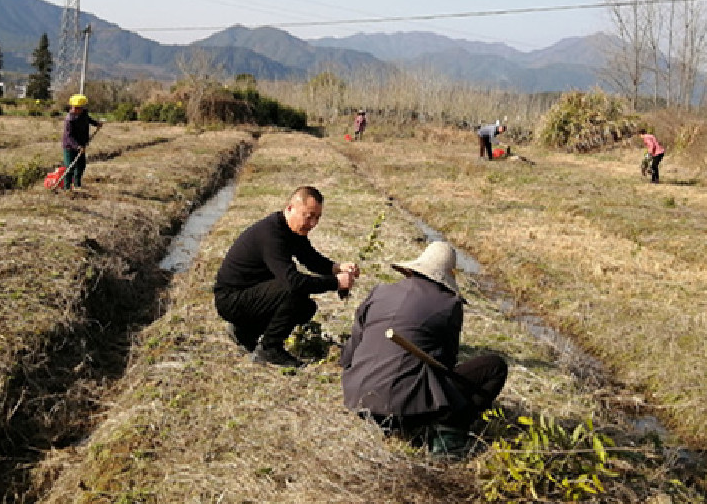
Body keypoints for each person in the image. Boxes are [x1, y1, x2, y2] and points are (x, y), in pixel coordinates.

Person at [341, 241, 508, 455]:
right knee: (495, 366)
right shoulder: (449, 305)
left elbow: (349, 354)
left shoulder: (379, 292)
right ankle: (449, 429)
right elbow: (446, 364)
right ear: (448, 276)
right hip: (402, 410)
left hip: (358, 399)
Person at [214, 186, 359, 367]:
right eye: (308, 216)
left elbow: (309, 257)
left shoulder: (290, 229)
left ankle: (245, 332)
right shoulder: (272, 235)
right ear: (290, 208)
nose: (313, 223)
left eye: (317, 218)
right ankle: (269, 348)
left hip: (249, 293)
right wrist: (335, 282)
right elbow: (293, 282)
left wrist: (336, 268)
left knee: (305, 307)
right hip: (231, 299)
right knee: (292, 293)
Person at [61, 94, 103, 190]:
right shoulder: (69, 120)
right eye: (75, 108)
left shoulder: (84, 114)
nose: (76, 110)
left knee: (81, 165)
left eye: (79, 108)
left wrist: (96, 123)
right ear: (72, 107)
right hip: (70, 146)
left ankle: (77, 184)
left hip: (82, 144)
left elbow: (88, 120)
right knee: (69, 167)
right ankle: (66, 187)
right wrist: (77, 146)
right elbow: (69, 136)